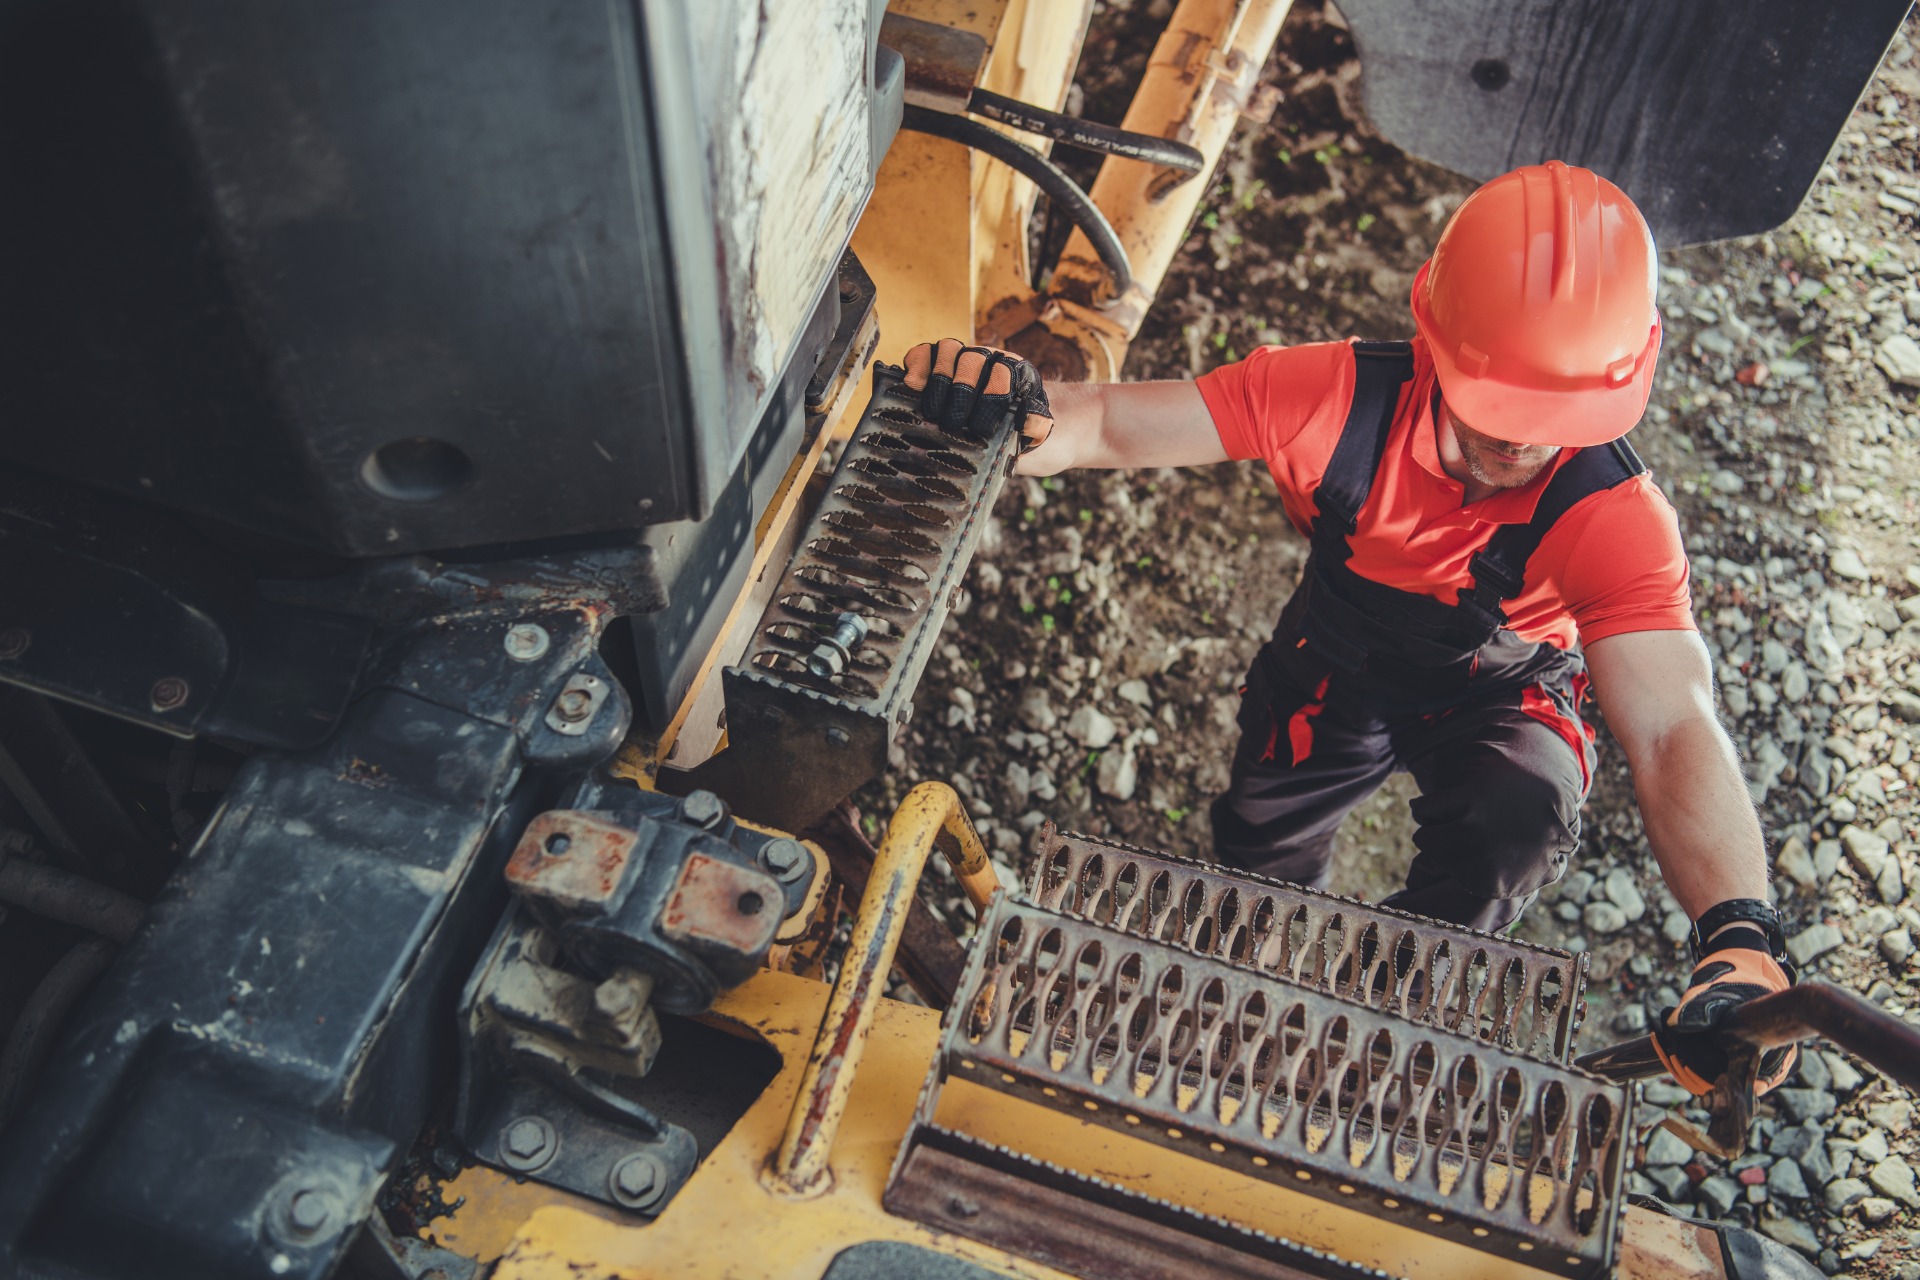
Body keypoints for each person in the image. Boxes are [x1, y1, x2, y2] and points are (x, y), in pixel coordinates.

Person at [901, 160, 1796, 1099]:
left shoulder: (1614, 517)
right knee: (1260, 841)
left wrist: (1738, 931)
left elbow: (1669, 726)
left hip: (1506, 690)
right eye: (1500, 405)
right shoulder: (1331, 398)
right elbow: (1114, 425)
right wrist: (1015, 406)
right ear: (1436, 337)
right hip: (1338, 658)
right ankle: (1245, 961)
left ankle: (1389, 1011)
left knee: (1513, 822)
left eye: (1558, 417)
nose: (1524, 442)